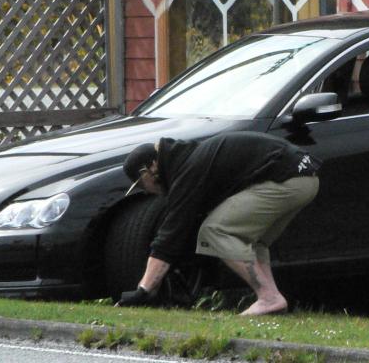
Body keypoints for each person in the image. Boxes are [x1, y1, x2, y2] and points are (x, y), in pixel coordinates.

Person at [116, 131, 320, 315]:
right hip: (305, 177)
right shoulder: (188, 158)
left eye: (142, 184)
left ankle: (269, 298)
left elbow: (169, 238)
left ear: (151, 169)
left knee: (215, 230)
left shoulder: (187, 171)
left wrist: (144, 290)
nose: (146, 191)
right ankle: (272, 300)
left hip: (288, 178)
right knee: (252, 241)